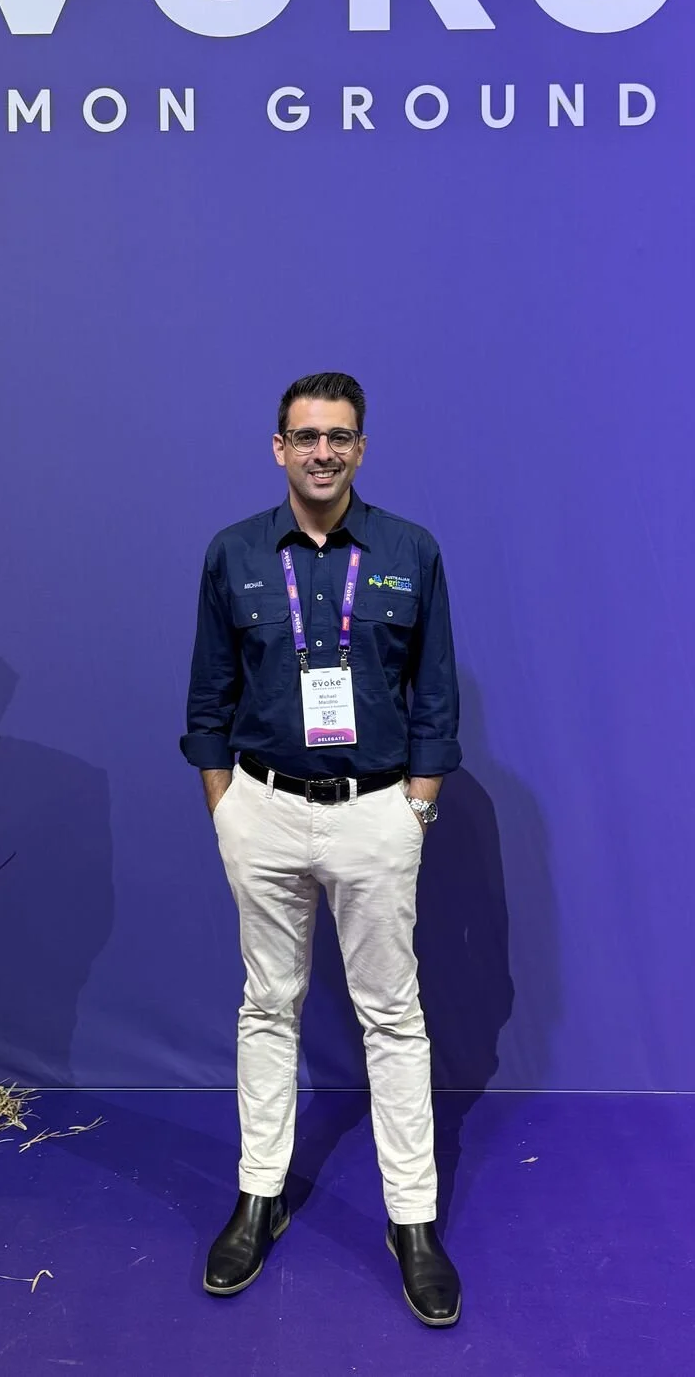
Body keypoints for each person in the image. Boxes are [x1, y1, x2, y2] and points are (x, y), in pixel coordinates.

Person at [181, 371, 463, 1328]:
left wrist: (415, 809)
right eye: (306, 436)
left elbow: (434, 695)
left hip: (375, 813)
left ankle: (412, 1219)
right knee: (268, 1005)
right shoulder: (233, 553)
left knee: (394, 1015)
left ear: (361, 448)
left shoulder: (409, 551)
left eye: (340, 436)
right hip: (261, 810)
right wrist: (226, 807)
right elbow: (208, 694)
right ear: (279, 448)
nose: (323, 452)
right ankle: (258, 1196)